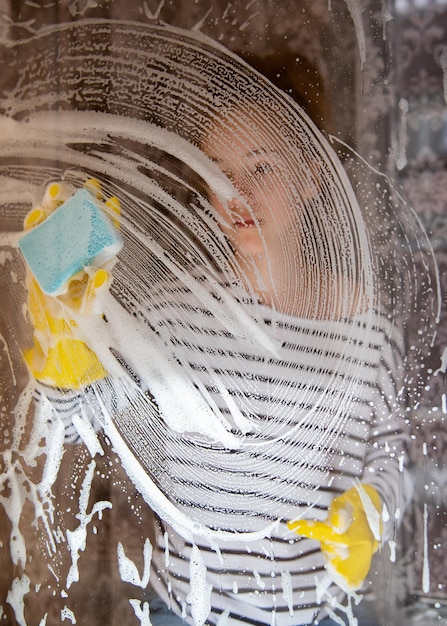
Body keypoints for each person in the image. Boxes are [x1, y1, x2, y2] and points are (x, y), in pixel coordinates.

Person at [22, 92, 409, 626]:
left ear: (314, 174)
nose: (236, 193)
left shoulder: (368, 332)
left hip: (321, 615)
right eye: (219, 171)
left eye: (261, 167)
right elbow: (74, 428)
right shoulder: (169, 317)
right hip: (187, 612)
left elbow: (390, 456)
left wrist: (372, 510)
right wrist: (62, 364)